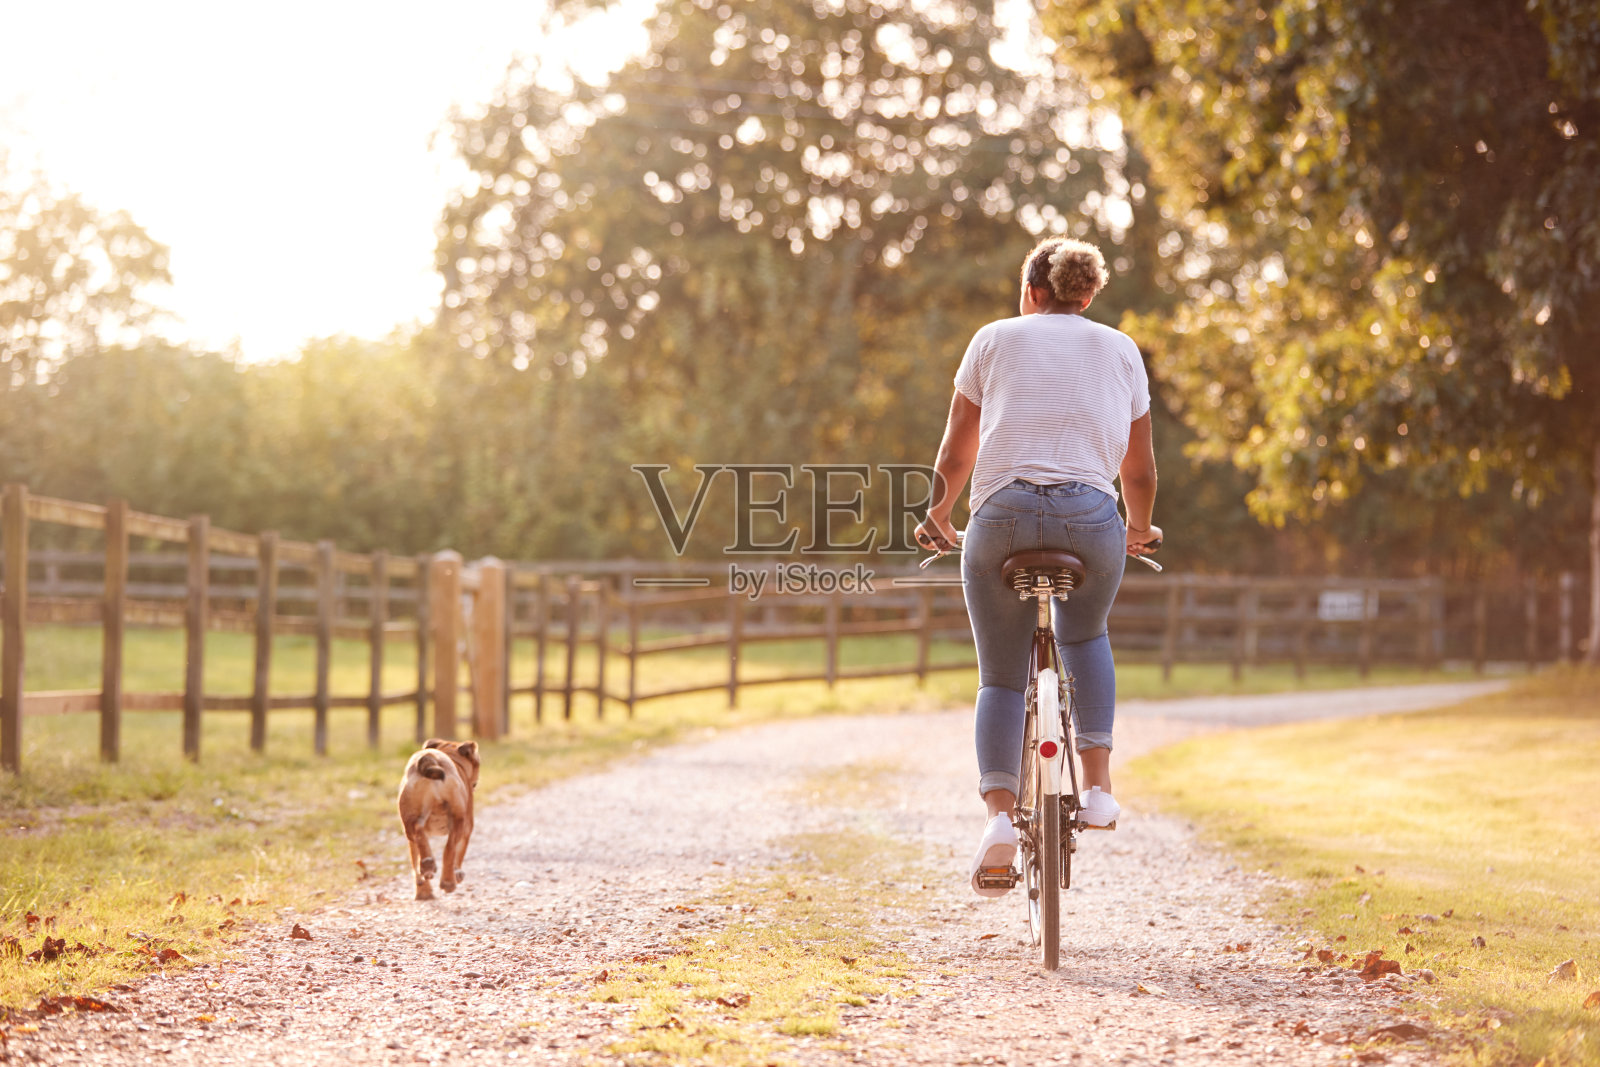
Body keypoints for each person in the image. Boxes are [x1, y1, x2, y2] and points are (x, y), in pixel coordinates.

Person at [912, 236, 1161, 897]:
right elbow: (1138, 469)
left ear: (1031, 292)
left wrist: (938, 517)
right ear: (1086, 296)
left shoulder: (993, 339)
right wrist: (1138, 528)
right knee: (1085, 635)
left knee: (1000, 677)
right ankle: (1100, 788)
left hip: (1001, 519)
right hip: (1091, 518)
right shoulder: (1120, 349)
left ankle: (999, 818)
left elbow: (956, 456)